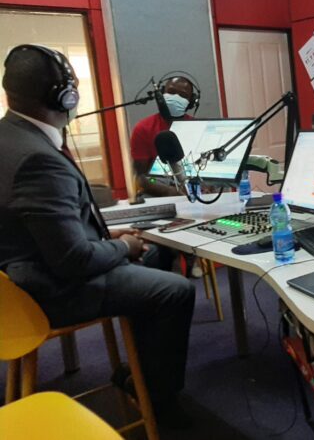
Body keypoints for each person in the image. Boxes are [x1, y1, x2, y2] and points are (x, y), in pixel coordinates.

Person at [0, 45, 196, 429]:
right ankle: (156, 400)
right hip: (50, 289)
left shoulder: (9, 138)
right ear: (65, 96)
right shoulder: (37, 159)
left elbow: (50, 226)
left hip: (16, 278)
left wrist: (109, 239)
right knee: (175, 290)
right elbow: (73, 262)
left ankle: (140, 371)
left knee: (150, 265)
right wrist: (122, 246)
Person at [130, 75, 199, 197]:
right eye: (171, 92)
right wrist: (169, 191)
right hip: (159, 194)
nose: (175, 98)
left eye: (182, 95)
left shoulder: (197, 127)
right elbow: (141, 178)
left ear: (191, 102)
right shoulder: (143, 128)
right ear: (161, 94)